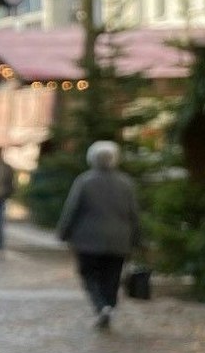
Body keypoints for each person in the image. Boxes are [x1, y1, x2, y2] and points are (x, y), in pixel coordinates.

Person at [56, 140, 143, 330]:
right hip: (119, 241)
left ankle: (100, 305)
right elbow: (134, 214)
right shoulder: (126, 183)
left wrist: (63, 233)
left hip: (88, 241)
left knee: (89, 275)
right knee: (112, 277)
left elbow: (72, 210)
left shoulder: (84, 181)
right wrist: (137, 239)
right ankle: (109, 306)